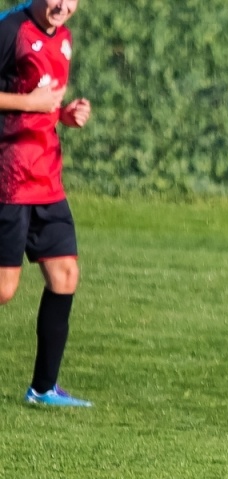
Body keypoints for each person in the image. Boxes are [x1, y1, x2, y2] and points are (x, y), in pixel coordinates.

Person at [0, 0, 90, 407]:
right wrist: (29, 105)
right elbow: (27, 102)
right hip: (9, 178)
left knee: (65, 275)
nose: (62, 5)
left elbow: (44, 107)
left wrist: (64, 116)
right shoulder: (9, 30)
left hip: (47, 177)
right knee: (3, 289)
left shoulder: (64, 37)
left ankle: (43, 389)